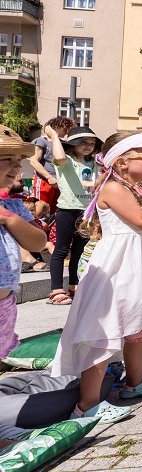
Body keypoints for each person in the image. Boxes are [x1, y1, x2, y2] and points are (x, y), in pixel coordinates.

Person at [51, 132, 142, 423]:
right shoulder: (114, 189)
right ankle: (88, 404)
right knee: (107, 329)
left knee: (138, 324)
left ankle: (135, 381)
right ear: (121, 163)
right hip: (121, 267)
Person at [0, 126, 48, 360]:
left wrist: (8, 218)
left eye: (19, 159)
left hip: (4, 304)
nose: (18, 166)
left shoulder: (13, 206)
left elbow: (39, 242)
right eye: (8, 159)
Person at [43, 125, 101, 306]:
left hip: (86, 211)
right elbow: (59, 156)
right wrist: (54, 136)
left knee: (79, 250)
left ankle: (74, 285)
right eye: (83, 142)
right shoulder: (66, 160)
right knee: (61, 249)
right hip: (67, 210)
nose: (88, 146)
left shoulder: (94, 163)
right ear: (72, 143)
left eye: (91, 143)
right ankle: (56, 289)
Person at [28, 117, 75, 213]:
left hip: (58, 182)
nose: (66, 132)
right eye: (65, 128)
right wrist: (48, 177)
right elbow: (34, 160)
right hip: (44, 180)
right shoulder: (42, 141)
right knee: (40, 208)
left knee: (54, 210)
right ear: (56, 127)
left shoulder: (62, 144)